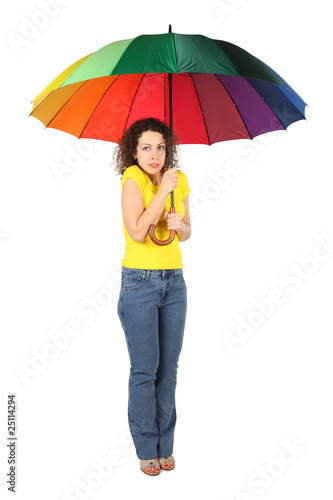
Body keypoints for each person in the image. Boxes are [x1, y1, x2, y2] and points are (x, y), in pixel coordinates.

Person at [112, 117, 191, 476]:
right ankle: (147, 447)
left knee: (169, 371)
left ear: (168, 148)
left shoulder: (179, 179)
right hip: (140, 284)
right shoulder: (133, 179)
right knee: (145, 370)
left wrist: (181, 226)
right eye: (146, 147)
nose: (154, 154)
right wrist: (162, 191)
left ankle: (166, 445)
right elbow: (138, 231)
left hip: (174, 282)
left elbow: (187, 232)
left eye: (161, 146)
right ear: (133, 151)